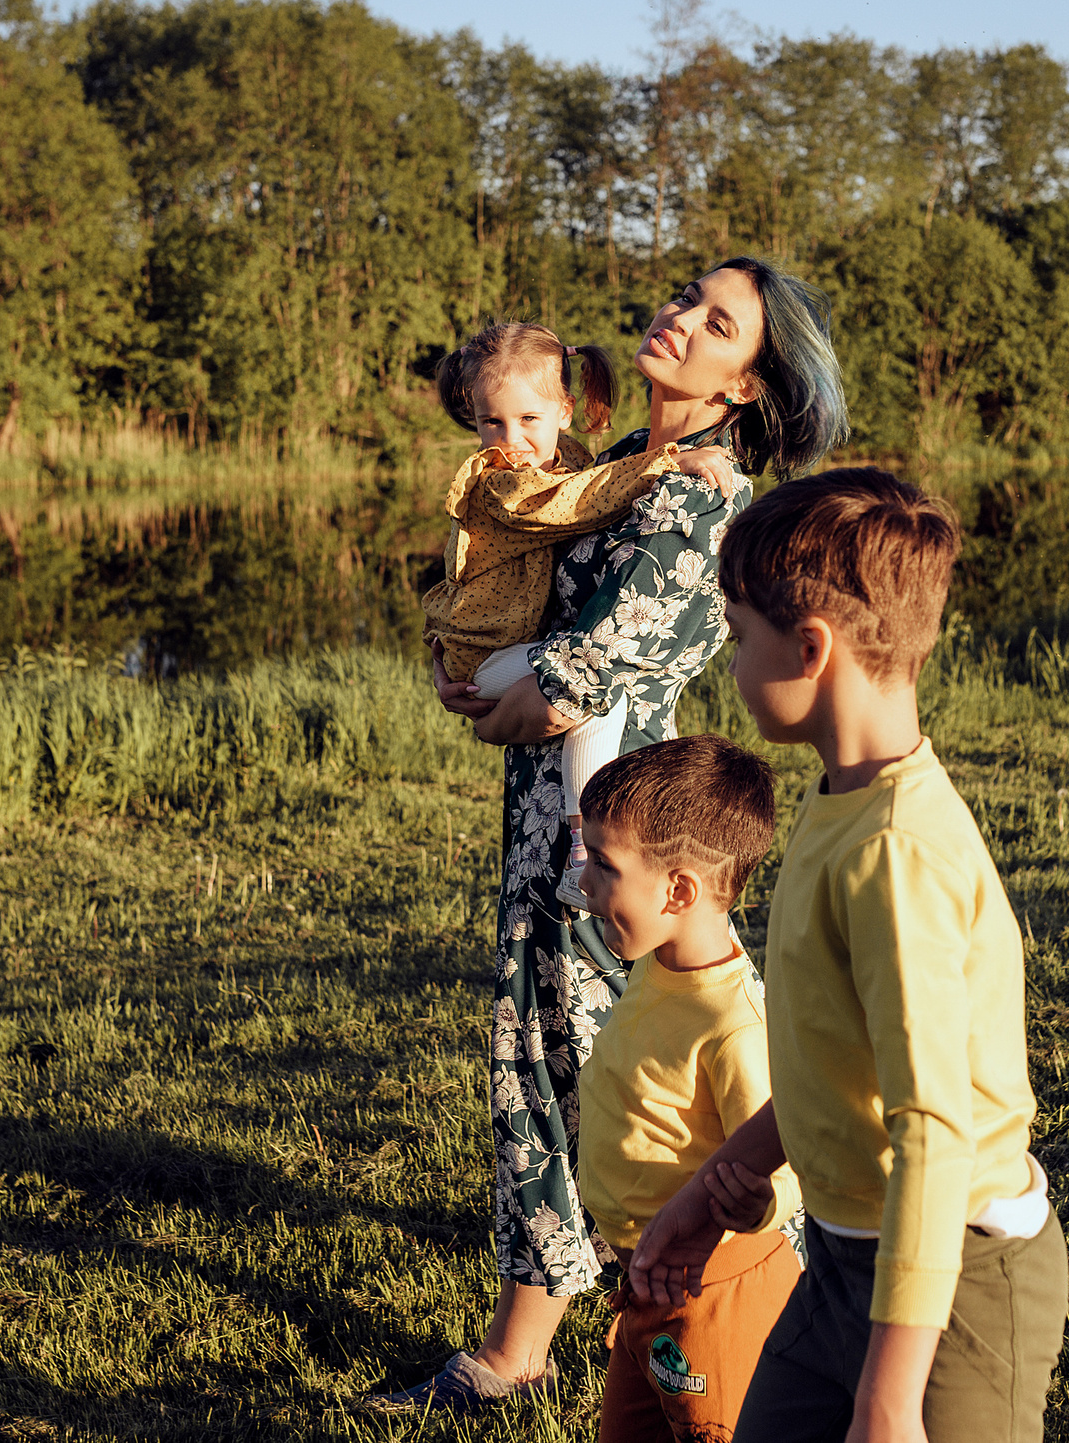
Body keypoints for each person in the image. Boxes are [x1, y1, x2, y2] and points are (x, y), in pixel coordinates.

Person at [369, 260, 848, 1418]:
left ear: (745, 381)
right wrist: (483, 671)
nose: (677, 315)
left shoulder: (698, 497)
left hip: (615, 828)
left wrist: (502, 693)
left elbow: (578, 677)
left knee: (575, 1065)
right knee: (564, 1056)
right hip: (562, 808)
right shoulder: (609, 469)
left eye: (716, 320)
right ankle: (618, 1298)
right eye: (685, 293)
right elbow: (529, 625)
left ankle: (544, 1345)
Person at [627, 470, 1069, 1442]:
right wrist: (711, 1192)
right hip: (842, 1262)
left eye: (739, 638)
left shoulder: (893, 854)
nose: (732, 667)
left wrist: (887, 1398)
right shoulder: (846, 800)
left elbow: (931, 1129)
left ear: (811, 647)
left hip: (951, 1289)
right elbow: (840, 1053)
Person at [420, 322, 737, 879]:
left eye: (527, 419)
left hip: (507, 650)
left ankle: (584, 845)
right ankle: (584, 846)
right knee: (597, 695)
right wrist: (664, 462)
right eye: (490, 421)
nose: (509, 438)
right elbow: (572, 502)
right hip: (484, 657)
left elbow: (591, 486)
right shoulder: (505, 481)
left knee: (593, 693)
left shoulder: (574, 459)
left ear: (564, 411)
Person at [568, 734, 806, 1443]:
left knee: (717, 1432)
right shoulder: (659, 960)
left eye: (604, 866)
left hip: (714, 1292)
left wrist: (762, 1200)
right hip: (646, 1282)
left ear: (678, 891)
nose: (584, 883)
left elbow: (792, 1142)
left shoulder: (732, 1023)